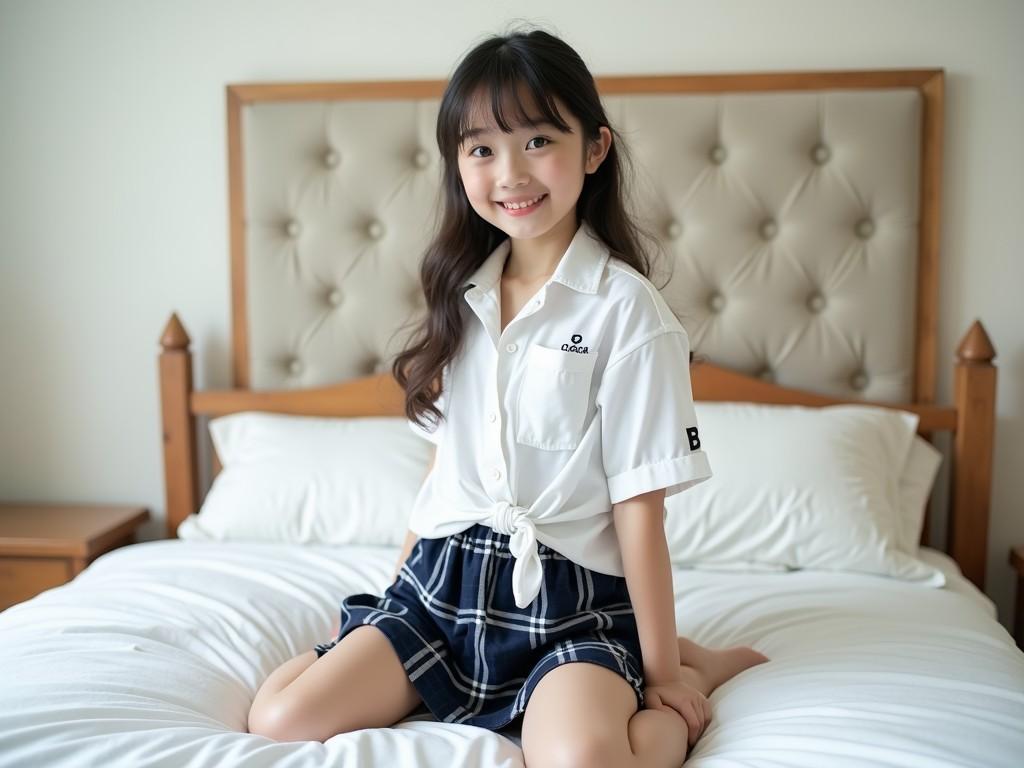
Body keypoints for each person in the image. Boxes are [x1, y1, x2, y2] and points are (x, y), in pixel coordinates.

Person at [248, 25, 769, 765]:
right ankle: (385, 657)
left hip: (572, 605)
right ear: (458, 163)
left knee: (582, 760)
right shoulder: (459, 295)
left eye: (537, 141)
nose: (510, 173)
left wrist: (661, 679)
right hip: (441, 587)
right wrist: (389, 604)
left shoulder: (628, 311)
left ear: (594, 148)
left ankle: (690, 669)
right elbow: (444, 473)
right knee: (277, 720)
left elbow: (638, 506)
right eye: (482, 148)